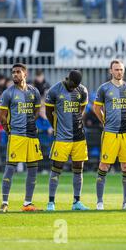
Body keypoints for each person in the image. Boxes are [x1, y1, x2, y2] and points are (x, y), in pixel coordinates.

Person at [0, 63, 43, 212]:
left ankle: (27, 203)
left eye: (18, 72)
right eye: (13, 72)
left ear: (25, 74)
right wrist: (8, 131)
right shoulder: (8, 93)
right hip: (16, 135)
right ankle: (4, 202)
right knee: (10, 168)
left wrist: (32, 122)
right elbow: (2, 117)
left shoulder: (34, 91)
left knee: (33, 169)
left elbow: (37, 110)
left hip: (31, 136)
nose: (15, 75)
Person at [93, 59, 126, 210]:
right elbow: (96, 108)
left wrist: (125, 119)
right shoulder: (104, 88)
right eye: (116, 69)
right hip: (110, 133)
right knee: (104, 165)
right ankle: (99, 202)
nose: (119, 72)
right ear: (110, 71)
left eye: (121, 69)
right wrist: (104, 121)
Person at [44, 70, 90, 211]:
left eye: (76, 85)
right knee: (56, 169)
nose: (73, 87)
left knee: (78, 169)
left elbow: (81, 109)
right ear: (67, 79)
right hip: (62, 137)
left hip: (79, 137)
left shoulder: (82, 90)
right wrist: (56, 127)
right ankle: (51, 202)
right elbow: (48, 112)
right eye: (71, 84)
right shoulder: (54, 91)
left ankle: (76, 202)